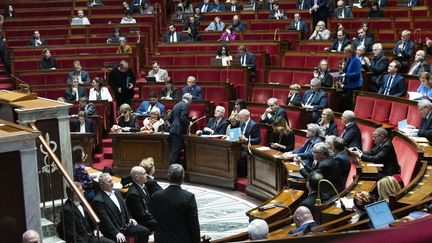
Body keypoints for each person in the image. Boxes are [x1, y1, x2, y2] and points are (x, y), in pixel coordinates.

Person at [93, 173, 150, 243]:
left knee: (145, 231)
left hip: (126, 225)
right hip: (114, 229)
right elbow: (105, 220)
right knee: (121, 241)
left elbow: (125, 208)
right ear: (101, 184)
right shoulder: (98, 200)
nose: (112, 183)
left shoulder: (117, 192)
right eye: (109, 181)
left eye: (112, 180)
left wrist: (130, 218)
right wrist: (116, 233)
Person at [151, 164, 200, 242]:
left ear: (168, 176)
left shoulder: (156, 196)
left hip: (162, 239)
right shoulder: (189, 197)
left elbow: (153, 217)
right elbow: (193, 222)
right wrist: (197, 240)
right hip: (182, 239)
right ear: (182, 178)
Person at [126, 166, 157, 232]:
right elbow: (141, 215)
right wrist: (157, 217)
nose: (146, 175)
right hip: (143, 222)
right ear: (137, 177)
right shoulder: (133, 194)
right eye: (144, 174)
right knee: (163, 223)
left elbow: (149, 204)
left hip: (149, 216)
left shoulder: (143, 185)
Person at [168, 93, 192, 164]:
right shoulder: (185, 105)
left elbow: (169, 118)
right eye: (191, 100)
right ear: (189, 99)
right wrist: (189, 123)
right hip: (178, 131)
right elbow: (182, 118)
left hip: (173, 129)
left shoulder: (177, 104)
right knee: (175, 151)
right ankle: (172, 170)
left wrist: (174, 125)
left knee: (174, 151)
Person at [338, 45, 363, 110]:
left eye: (346, 53)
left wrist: (346, 75)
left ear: (350, 52)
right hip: (348, 84)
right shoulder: (349, 59)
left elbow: (357, 74)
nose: (345, 54)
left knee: (350, 103)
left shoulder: (356, 60)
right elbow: (345, 69)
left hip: (354, 85)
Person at [238, 109, 261, 176]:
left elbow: (258, 140)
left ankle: (242, 174)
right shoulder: (241, 123)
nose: (240, 119)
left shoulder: (253, 125)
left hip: (249, 147)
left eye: (241, 117)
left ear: (247, 116)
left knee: (241, 155)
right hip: (240, 145)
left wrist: (246, 139)